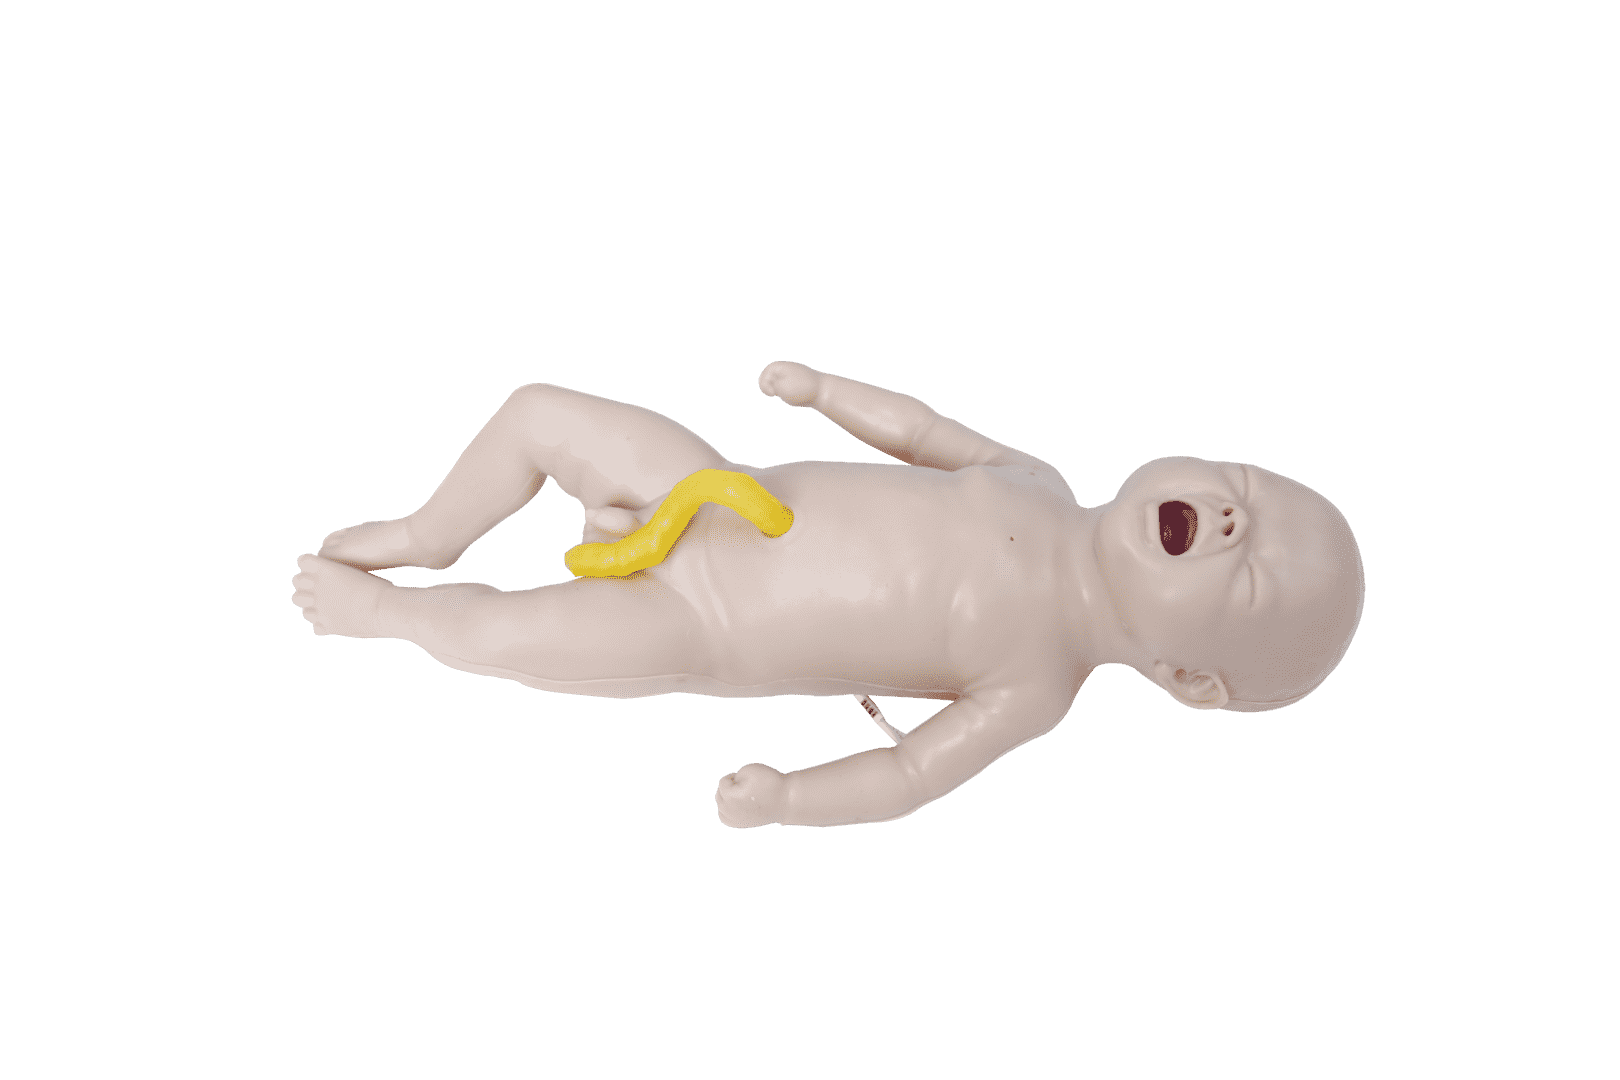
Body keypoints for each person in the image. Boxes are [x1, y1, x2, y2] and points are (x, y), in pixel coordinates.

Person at [292, 363, 1364, 828]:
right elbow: (924, 433)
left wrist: (791, 798)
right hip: (710, 493)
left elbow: (910, 776)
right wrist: (825, 393)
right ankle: (428, 531)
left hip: (699, 626)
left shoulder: (1037, 685)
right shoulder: (1037, 481)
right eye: (1249, 488)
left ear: (1186, 678)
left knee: (504, 633)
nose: (1235, 520)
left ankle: (389, 616)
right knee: (538, 410)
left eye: (1251, 572)